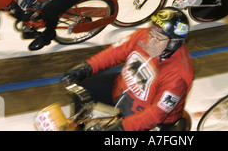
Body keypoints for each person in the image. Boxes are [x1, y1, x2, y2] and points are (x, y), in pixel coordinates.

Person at [60, 7, 193, 131]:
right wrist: (87, 67)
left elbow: (154, 115)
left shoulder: (178, 75)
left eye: (158, 38)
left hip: (146, 115)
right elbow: (115, 52)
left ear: (173, 43)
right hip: (121, 90)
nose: (150, 41)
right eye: (151, 32)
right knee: (82, 91)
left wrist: (121, 128)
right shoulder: (143, 35)